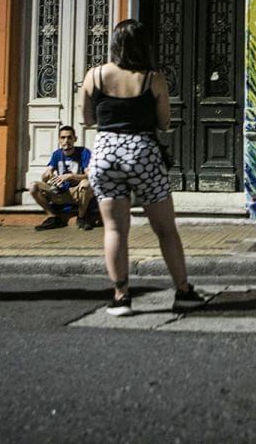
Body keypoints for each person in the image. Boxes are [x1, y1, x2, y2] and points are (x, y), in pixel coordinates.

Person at [80, 19, 205, 316]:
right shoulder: (153, 79)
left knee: (114, 229)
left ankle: (121, 296)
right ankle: (184, 291)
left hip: (106, 152)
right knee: (165, 229)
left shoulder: (94, 75)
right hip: (142, 151)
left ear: (113, 44)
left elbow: (86, 119)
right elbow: (164, 122)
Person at [29, 126, 96, 231]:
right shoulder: (57, 154)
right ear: (59, 139)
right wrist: (47, 175)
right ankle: (52, 217)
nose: (66, 141)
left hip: (77, 192)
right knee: (33, 186)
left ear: (75, 139)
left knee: (86, 183)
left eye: (69, 137)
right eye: (63, 137)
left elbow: (90, 175)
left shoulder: (84, 152)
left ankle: (81, 217)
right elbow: (47, 174)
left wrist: (71, 176)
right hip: (60, 192)